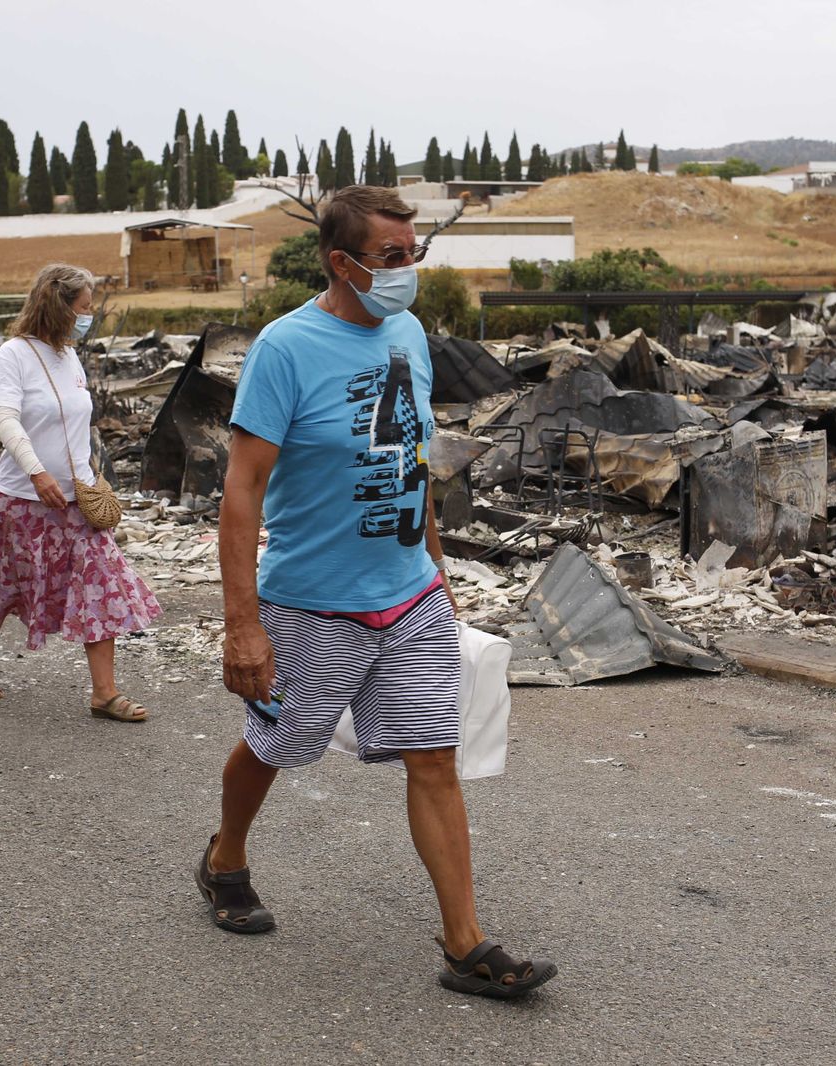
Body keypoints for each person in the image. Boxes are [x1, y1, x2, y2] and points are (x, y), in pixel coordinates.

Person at [198, 186, 557, 998]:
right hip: (313, 604)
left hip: (410, 597)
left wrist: (437, 572)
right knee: (274, 747)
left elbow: (411, 462)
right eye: (392, 257)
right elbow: (242, 492)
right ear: (341, 262)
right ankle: (224, 859)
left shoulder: (408, 334)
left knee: (434, 757)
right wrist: (242, 624)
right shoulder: (285, 350)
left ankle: (465, 944)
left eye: (413, 251)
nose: (409, 269)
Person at [0, 263, 161, 720]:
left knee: (102, 585)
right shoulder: (13, 355)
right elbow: (6, 421)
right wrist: (36, 472)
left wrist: (90, 470)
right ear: (58, 306)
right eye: (84, 307)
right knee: (2, 588)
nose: (88, 316)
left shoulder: (70, 355)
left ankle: (104, 693)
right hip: (22, 501)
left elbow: (77, 420)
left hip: (79, 501)